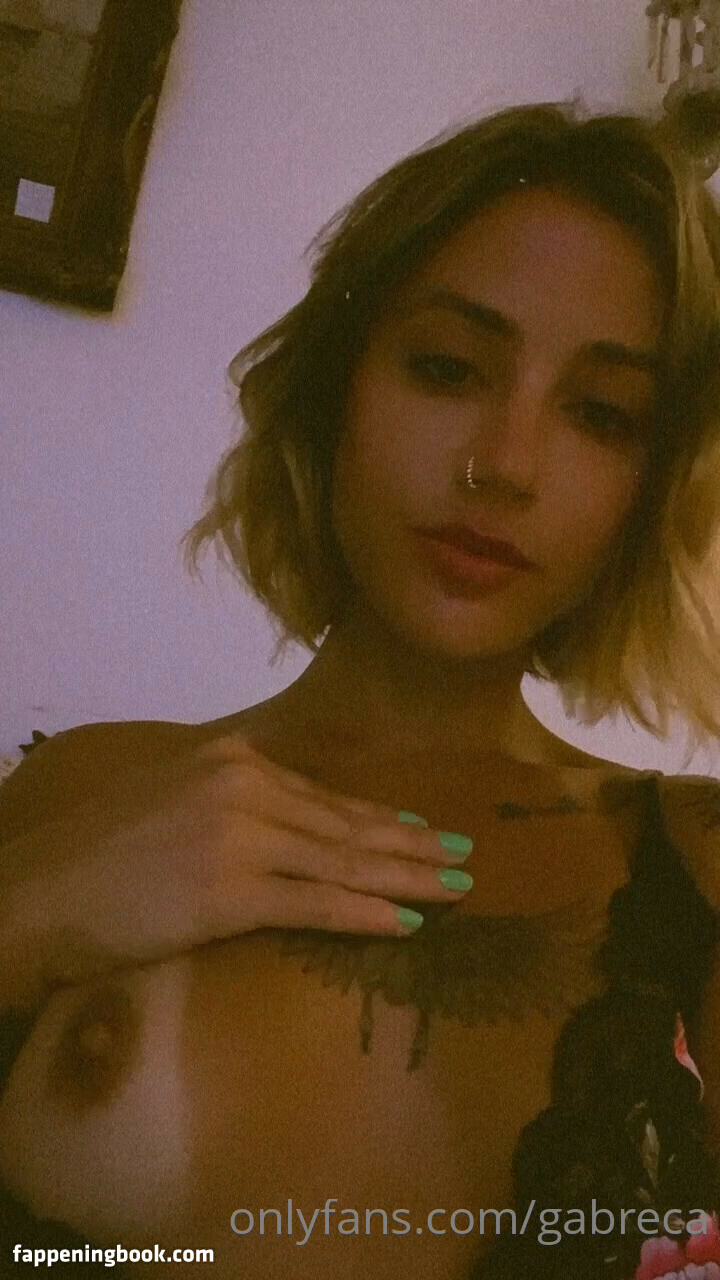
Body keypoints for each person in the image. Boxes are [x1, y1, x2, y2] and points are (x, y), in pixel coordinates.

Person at [1, 96, 720, 1280]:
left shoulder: (692, 857)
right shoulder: (89, 785)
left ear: (650, 489)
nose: (505, 462)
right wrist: (26, 917)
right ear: (337, 388)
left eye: (601, 413)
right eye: (448, 367)